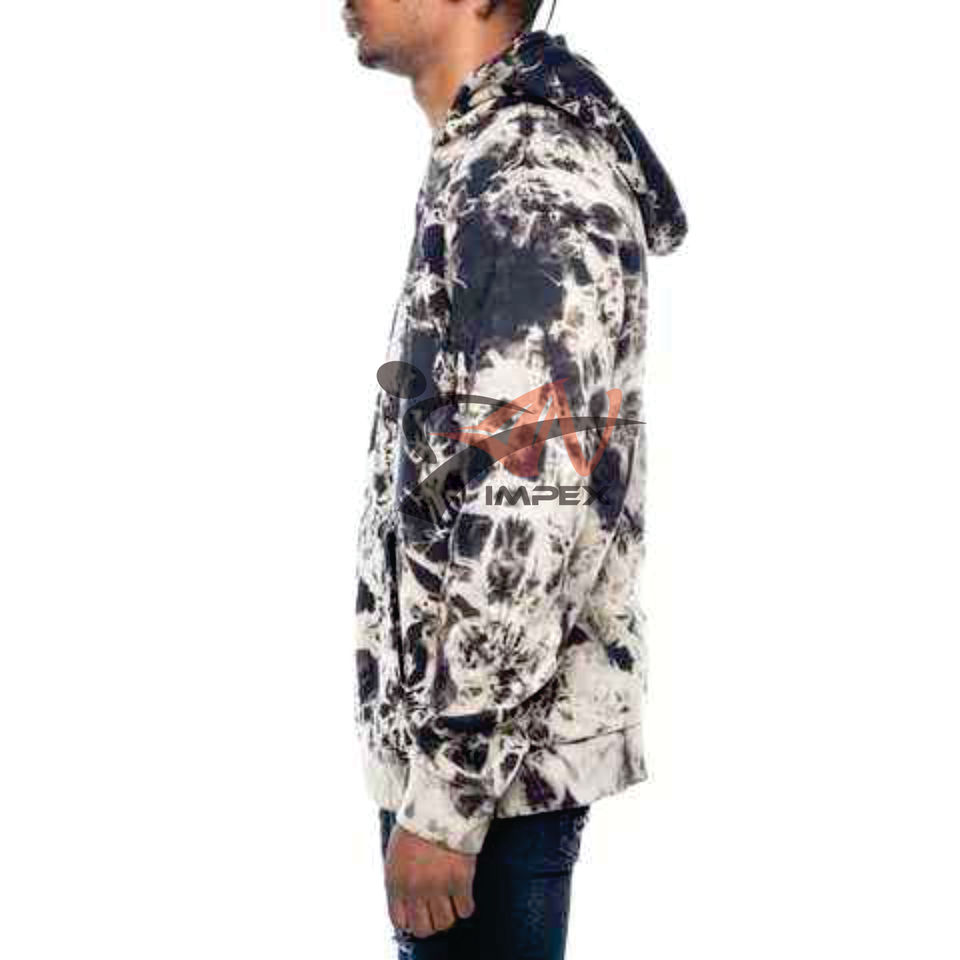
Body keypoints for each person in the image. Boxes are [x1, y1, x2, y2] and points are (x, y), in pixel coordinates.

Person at [345, 2, 687, 956]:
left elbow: (527, 512)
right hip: (468, 760)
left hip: (488, 783)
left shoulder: (531, 181)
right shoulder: (485, 160)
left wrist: (446, 803)